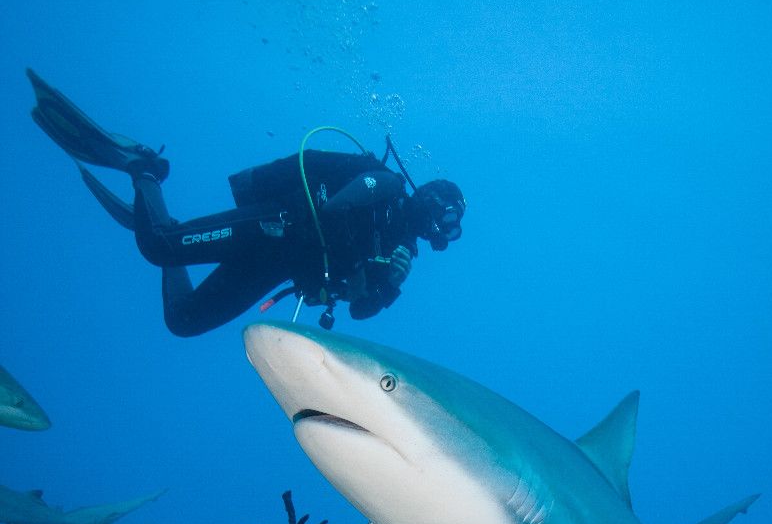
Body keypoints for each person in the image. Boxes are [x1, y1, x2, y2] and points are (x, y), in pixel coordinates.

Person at [27, 69, 465, 336]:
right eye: (448, 218)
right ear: (431, 198)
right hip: (275, 225)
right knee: (158, 246)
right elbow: (334, 212)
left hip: (277, 267)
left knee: (184, 321)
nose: (444, 231)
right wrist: (354, 272)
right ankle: (144, 169)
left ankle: (163, 222)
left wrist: (388, 287)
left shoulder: (394, 252)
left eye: (451, 228)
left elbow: (358, 309)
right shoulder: (386, 184)